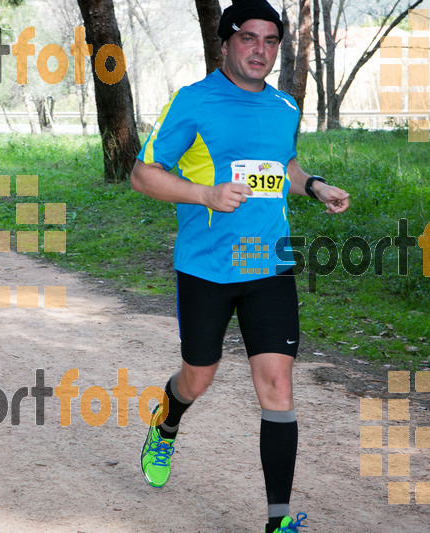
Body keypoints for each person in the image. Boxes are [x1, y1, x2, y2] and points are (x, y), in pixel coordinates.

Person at [131, 1, 350, 531]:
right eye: (249, 38)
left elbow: (285, 165)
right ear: (226, 42)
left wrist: (314, 185)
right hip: (206, 268)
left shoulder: (284, 106)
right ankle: (167, 422)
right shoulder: (194, 101)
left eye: (271, 40)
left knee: (278, 387)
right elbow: (143, 174)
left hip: (269, 264)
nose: (261, 50)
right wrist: (205, 193)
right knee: (197, 380)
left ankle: (278, 521)